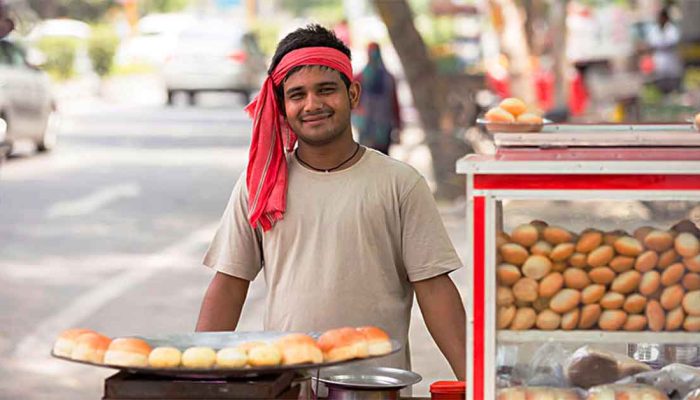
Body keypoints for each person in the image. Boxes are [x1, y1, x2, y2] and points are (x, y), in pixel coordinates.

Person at [196, 24, 465, 380]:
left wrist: (476, 380)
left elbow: (434, 288)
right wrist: (195, 376)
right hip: (287, 385)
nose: (312, 105)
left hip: (375, 387)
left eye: (326, 90)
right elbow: (229, 284)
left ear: (353, 94)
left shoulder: (400, 183)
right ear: (281, 105)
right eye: (297, 95)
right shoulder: (261, 185)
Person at [352, 42, 402, 155]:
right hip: (371, 126)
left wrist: (398, 126)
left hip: (380, 127)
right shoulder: (361, 78)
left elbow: (394, 105)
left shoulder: (361, 77)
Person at [646, 7, 683, 94]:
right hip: (659, 59)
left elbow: (672, 41)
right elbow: (652, 43)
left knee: (673, 82)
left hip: (671, 58)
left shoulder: (672, 29)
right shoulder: (654, 29)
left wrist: (662, 44)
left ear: (666, 17)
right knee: (660, 83)